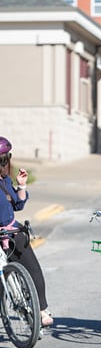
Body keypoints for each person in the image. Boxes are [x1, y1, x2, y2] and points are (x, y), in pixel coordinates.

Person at [0, 136, 53, 327]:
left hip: (11, 232)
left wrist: (21, 185)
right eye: (5, 158)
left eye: (6, 158)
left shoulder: (4, 181)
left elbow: (18, 204)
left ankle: (41, 309)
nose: (6, 162)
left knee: (33, 269)